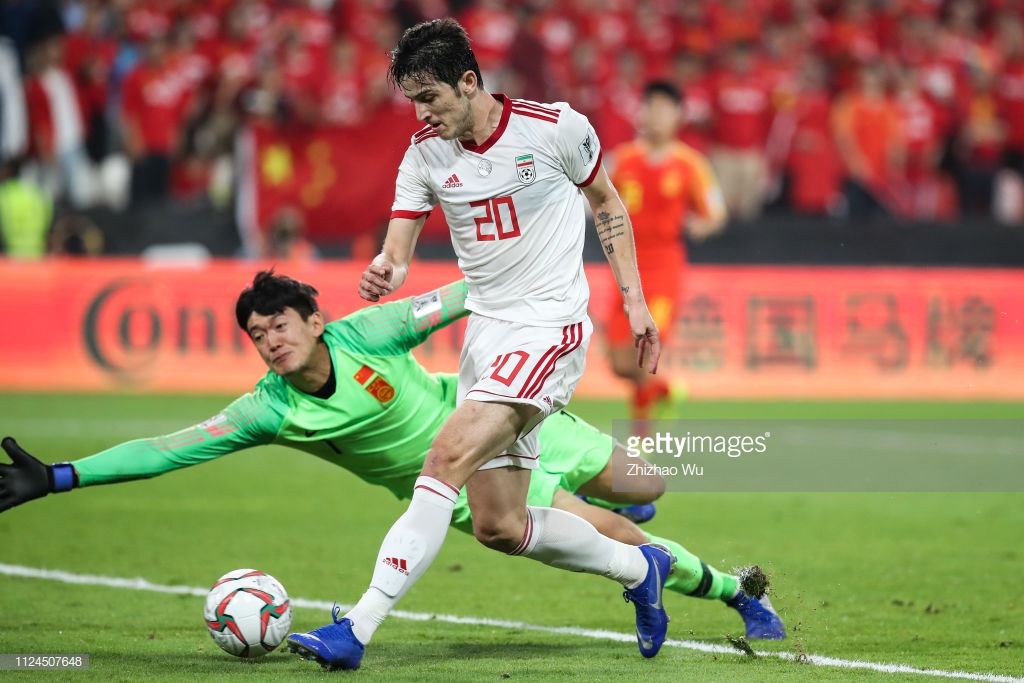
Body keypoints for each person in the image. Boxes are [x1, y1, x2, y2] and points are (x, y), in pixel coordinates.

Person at [0, 272, 785, 647]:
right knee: (618, 535)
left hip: (498, 408)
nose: (270, 341)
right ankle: (734, 592)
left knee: (647, 482)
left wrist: (535, 283)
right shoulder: (270, 409)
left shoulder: (368, 332)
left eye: (280, 325)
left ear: (314, 319)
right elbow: (168, 448)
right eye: (257, 334)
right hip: (471, 479)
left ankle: (625, 520)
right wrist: (62, 475)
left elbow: (468, 293)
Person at [299, 18, 668, 671]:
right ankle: (640, 569)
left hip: (550, 327)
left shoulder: (554, 129)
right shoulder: (424, 154)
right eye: (413, 100)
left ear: (469, 81)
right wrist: (386, 270)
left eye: (430, 97)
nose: (422, 113)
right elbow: (397, 251)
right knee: (500, 524)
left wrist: (634, 300)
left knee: (444, 457)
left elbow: (607, 204)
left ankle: (357, 627)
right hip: (487, 337)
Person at [606, 81, 727, 421]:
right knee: (619, 363)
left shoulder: (691, 164)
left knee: (645, 350)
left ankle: (641, 436)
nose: (656, 115)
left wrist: (703, 224)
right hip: (625, 269)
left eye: (664, 108)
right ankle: (667, 390)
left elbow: (716, 213)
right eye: (651, 107)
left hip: (663, 270)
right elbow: (599, 200)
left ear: (678, 115)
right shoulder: (622, 160)